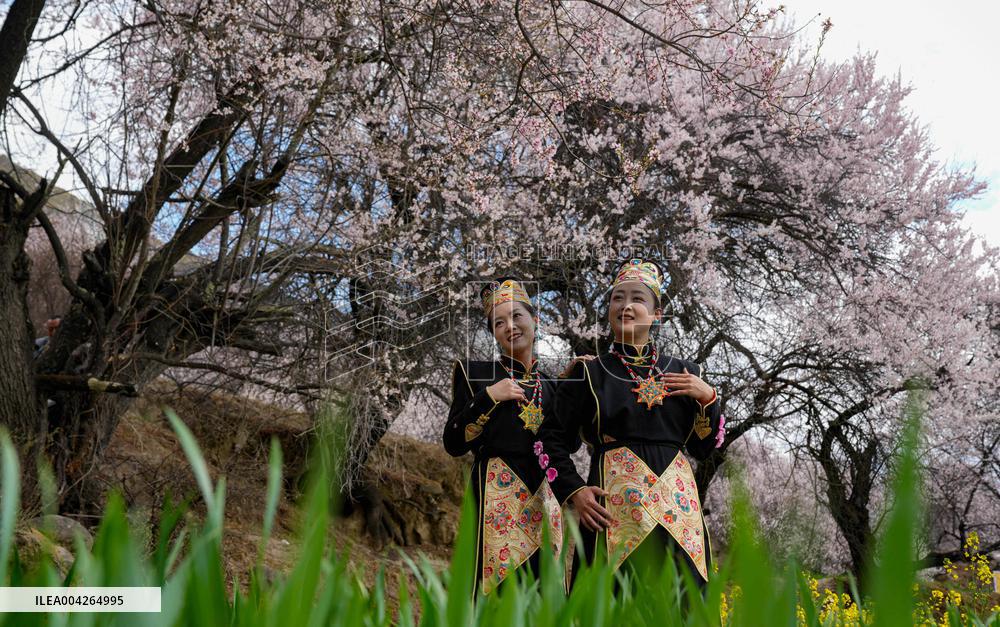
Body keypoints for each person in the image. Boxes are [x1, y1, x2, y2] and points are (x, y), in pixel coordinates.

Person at [536, 258, 726, 590]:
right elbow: (546, 442)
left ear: (657, 314)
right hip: (613, 515)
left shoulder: (687, 372)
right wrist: (574, 491)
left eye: (637, 298)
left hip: (680, 520)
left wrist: (709, 399)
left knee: (684, 605)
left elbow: (703, 447)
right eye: (617, 298)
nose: (625, 306)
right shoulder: (588, 374)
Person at [443, 278, 593, 596]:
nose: (510, 326)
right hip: (495, 498)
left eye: (517, 317)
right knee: (492, 594)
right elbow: (453, 442)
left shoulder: (553, 386)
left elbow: (569, 445)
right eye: (499, 322)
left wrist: (571, 391)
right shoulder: (475, 374)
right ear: (493, 332)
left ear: (534, 320)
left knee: (544, 596)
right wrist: (489, 397)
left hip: (544, 499)